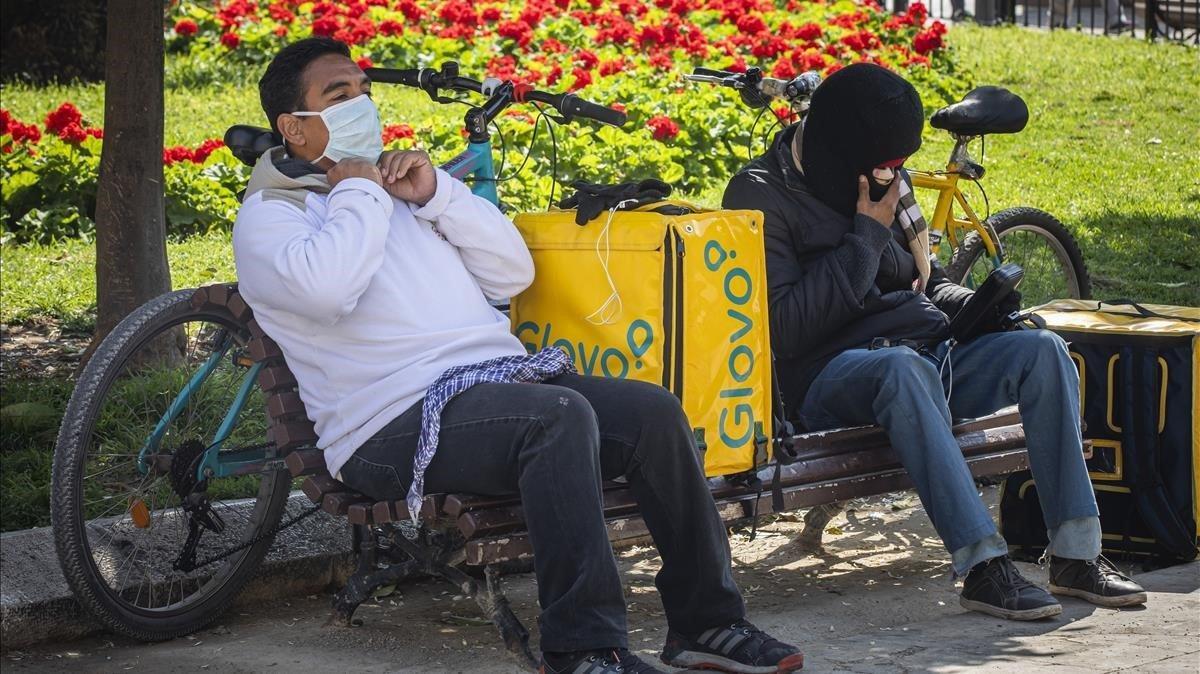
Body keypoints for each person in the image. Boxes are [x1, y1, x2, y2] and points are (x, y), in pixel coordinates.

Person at [233, 37, 804, 674]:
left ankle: (708, 623)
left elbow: (510, 273)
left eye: (365, 93)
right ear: (293, 127)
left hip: (485, 390)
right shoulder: (272, 217)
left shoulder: (399, 195)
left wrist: (436, 196)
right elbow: (328, 290)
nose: (361, 107)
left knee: (651, 412)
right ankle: (584, 649)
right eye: (339, 97)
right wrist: (359, 192)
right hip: (387, 425)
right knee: (556, 417)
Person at [722, 63, 1146, 621]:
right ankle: (982, 567)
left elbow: (924, 278)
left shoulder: (881, 180)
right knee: (903, 369)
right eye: (879, 167)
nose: (891, 178)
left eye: (894, 167)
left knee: (1042, 352)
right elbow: (785, 328)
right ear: (837, 152)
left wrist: (973, 307)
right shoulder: (760, 196)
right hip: (826, 377)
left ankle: (1076, 556)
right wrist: (867, 233)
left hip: (921, 352)